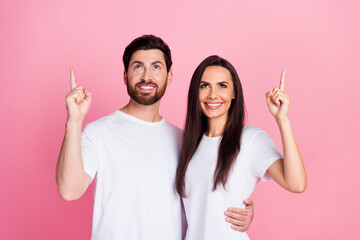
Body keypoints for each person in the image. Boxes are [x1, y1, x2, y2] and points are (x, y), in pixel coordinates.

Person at [56, 35, 254, 240]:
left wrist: (241, 210)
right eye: (138, 67)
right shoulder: (99, 132)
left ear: (169, 77)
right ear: (125, 75)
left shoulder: (184, 141)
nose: (146, 76)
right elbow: (69, 190)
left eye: (156, 67)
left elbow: (205, 197)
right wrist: (74, 121)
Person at [176, 55, 307, 240]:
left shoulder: (250, 139)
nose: (213, 94)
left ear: (234, 93)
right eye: (204, 85)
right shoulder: (187, 144)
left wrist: (282, 120)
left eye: (222, 85)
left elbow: (297, 184)